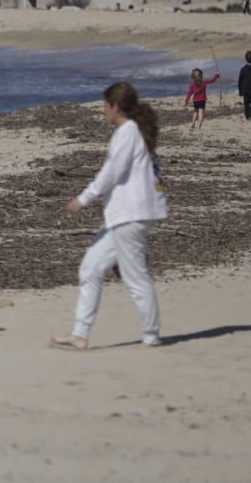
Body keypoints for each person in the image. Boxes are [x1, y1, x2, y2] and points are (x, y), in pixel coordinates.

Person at [51, 83, 168, 351]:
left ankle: (151, 336)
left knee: (135, 275)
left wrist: (83, 198)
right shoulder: (130, 132)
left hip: (132, 214)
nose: (104, 111)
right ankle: (80, 334)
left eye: (105, 106)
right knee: (90, 268)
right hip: (122, 216)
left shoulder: (127, 132)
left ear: (114, 106)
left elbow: (112, 171)